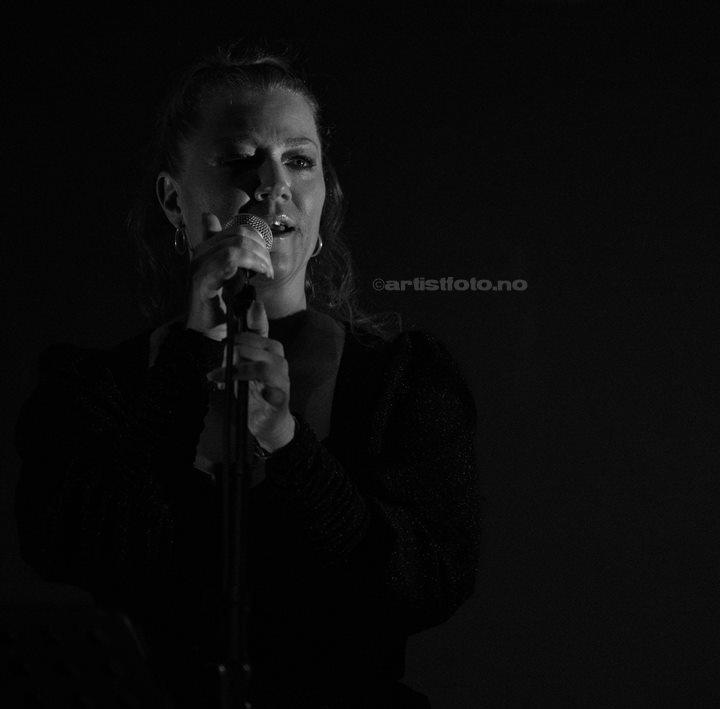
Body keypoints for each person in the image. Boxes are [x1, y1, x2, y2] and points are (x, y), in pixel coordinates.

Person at [14, 44, 480, 709]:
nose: (272, 184)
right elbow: (87, 551)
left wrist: (289, 446)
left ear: (323, 199)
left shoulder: (406, 379)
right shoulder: (92, 385)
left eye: (299, 160)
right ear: (173, 200)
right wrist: (191, 356)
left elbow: (427, 584)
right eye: (240, 159)